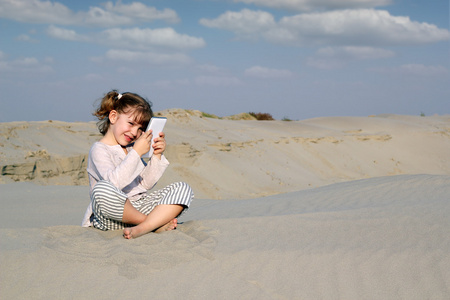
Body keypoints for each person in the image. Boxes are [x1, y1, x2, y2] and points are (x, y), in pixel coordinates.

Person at [81, 90, 193, 239]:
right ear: (113, 117)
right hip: (113, 216)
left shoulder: (130, 149)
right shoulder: (99, 149)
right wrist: (136, 153)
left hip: (139, 207)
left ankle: (144, 226)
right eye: (131, 123)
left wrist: (157, 155)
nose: (135, 132)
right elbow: (113, 183)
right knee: (101, 189)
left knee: (183, 189)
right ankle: (152, 224)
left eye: (141, 128)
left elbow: (145, 184)